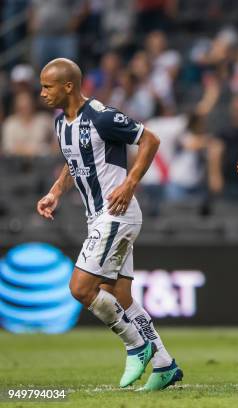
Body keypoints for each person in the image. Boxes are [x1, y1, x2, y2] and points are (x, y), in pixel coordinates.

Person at [35, 58, 182, 390]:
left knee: (81, 289)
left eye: (47, 86)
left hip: (117, 213)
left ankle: (136, 346)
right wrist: (55, 192)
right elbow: (74, 163)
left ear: (68, 86)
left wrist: (130, 183)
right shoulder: (61, 125)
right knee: (121, 296)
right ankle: (164, 364)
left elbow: (151, 140)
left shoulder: (102, 117)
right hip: (98, 218)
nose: (41, 92)